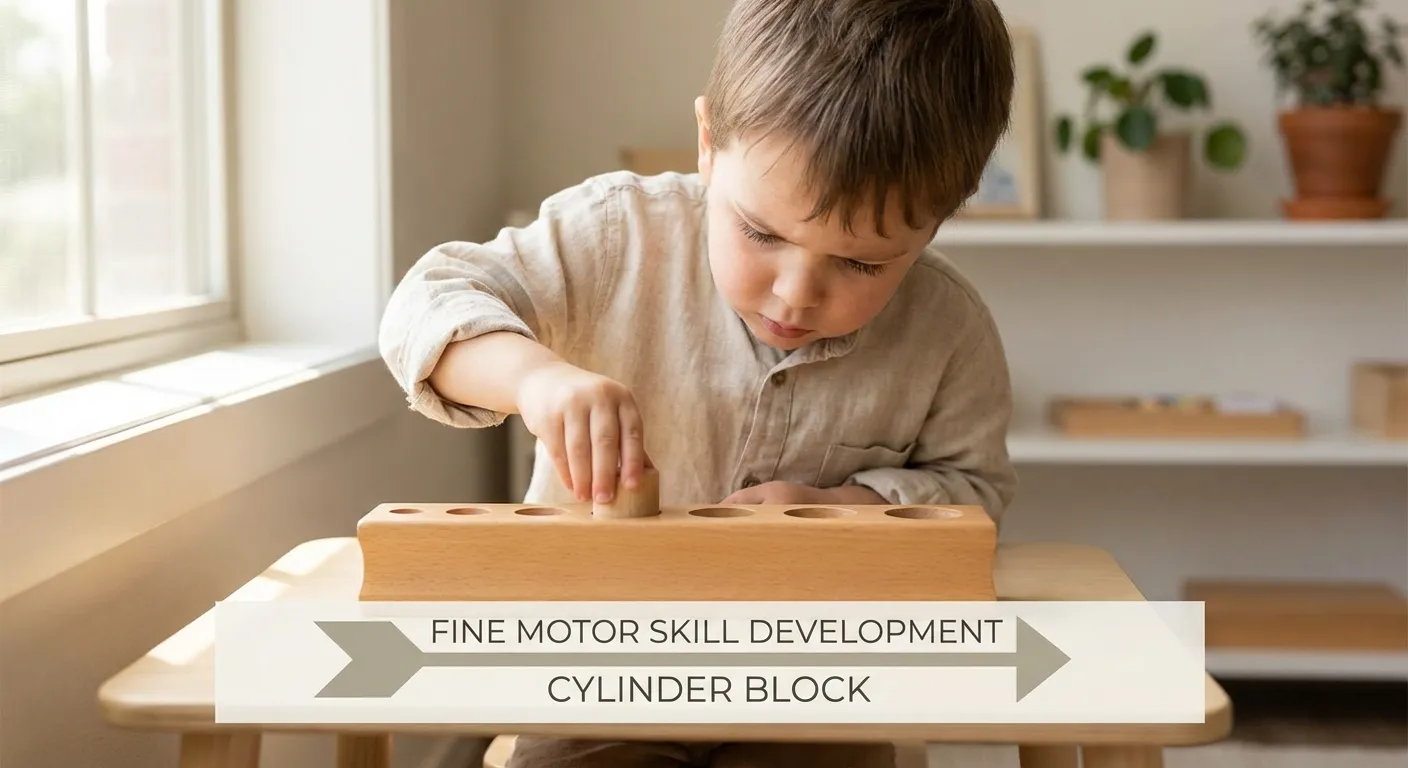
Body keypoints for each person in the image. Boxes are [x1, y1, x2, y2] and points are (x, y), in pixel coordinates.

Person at [379, 0, 1017, 764]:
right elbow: (425, 304)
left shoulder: (951, 332)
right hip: (595, 675)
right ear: (709, 142)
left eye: (861, 263)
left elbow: (973, 496)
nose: (794, 294)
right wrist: (534, 379)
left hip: (816, 686)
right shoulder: (617, 236)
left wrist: (844, 509)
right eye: (761, 233)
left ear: (944, 216)